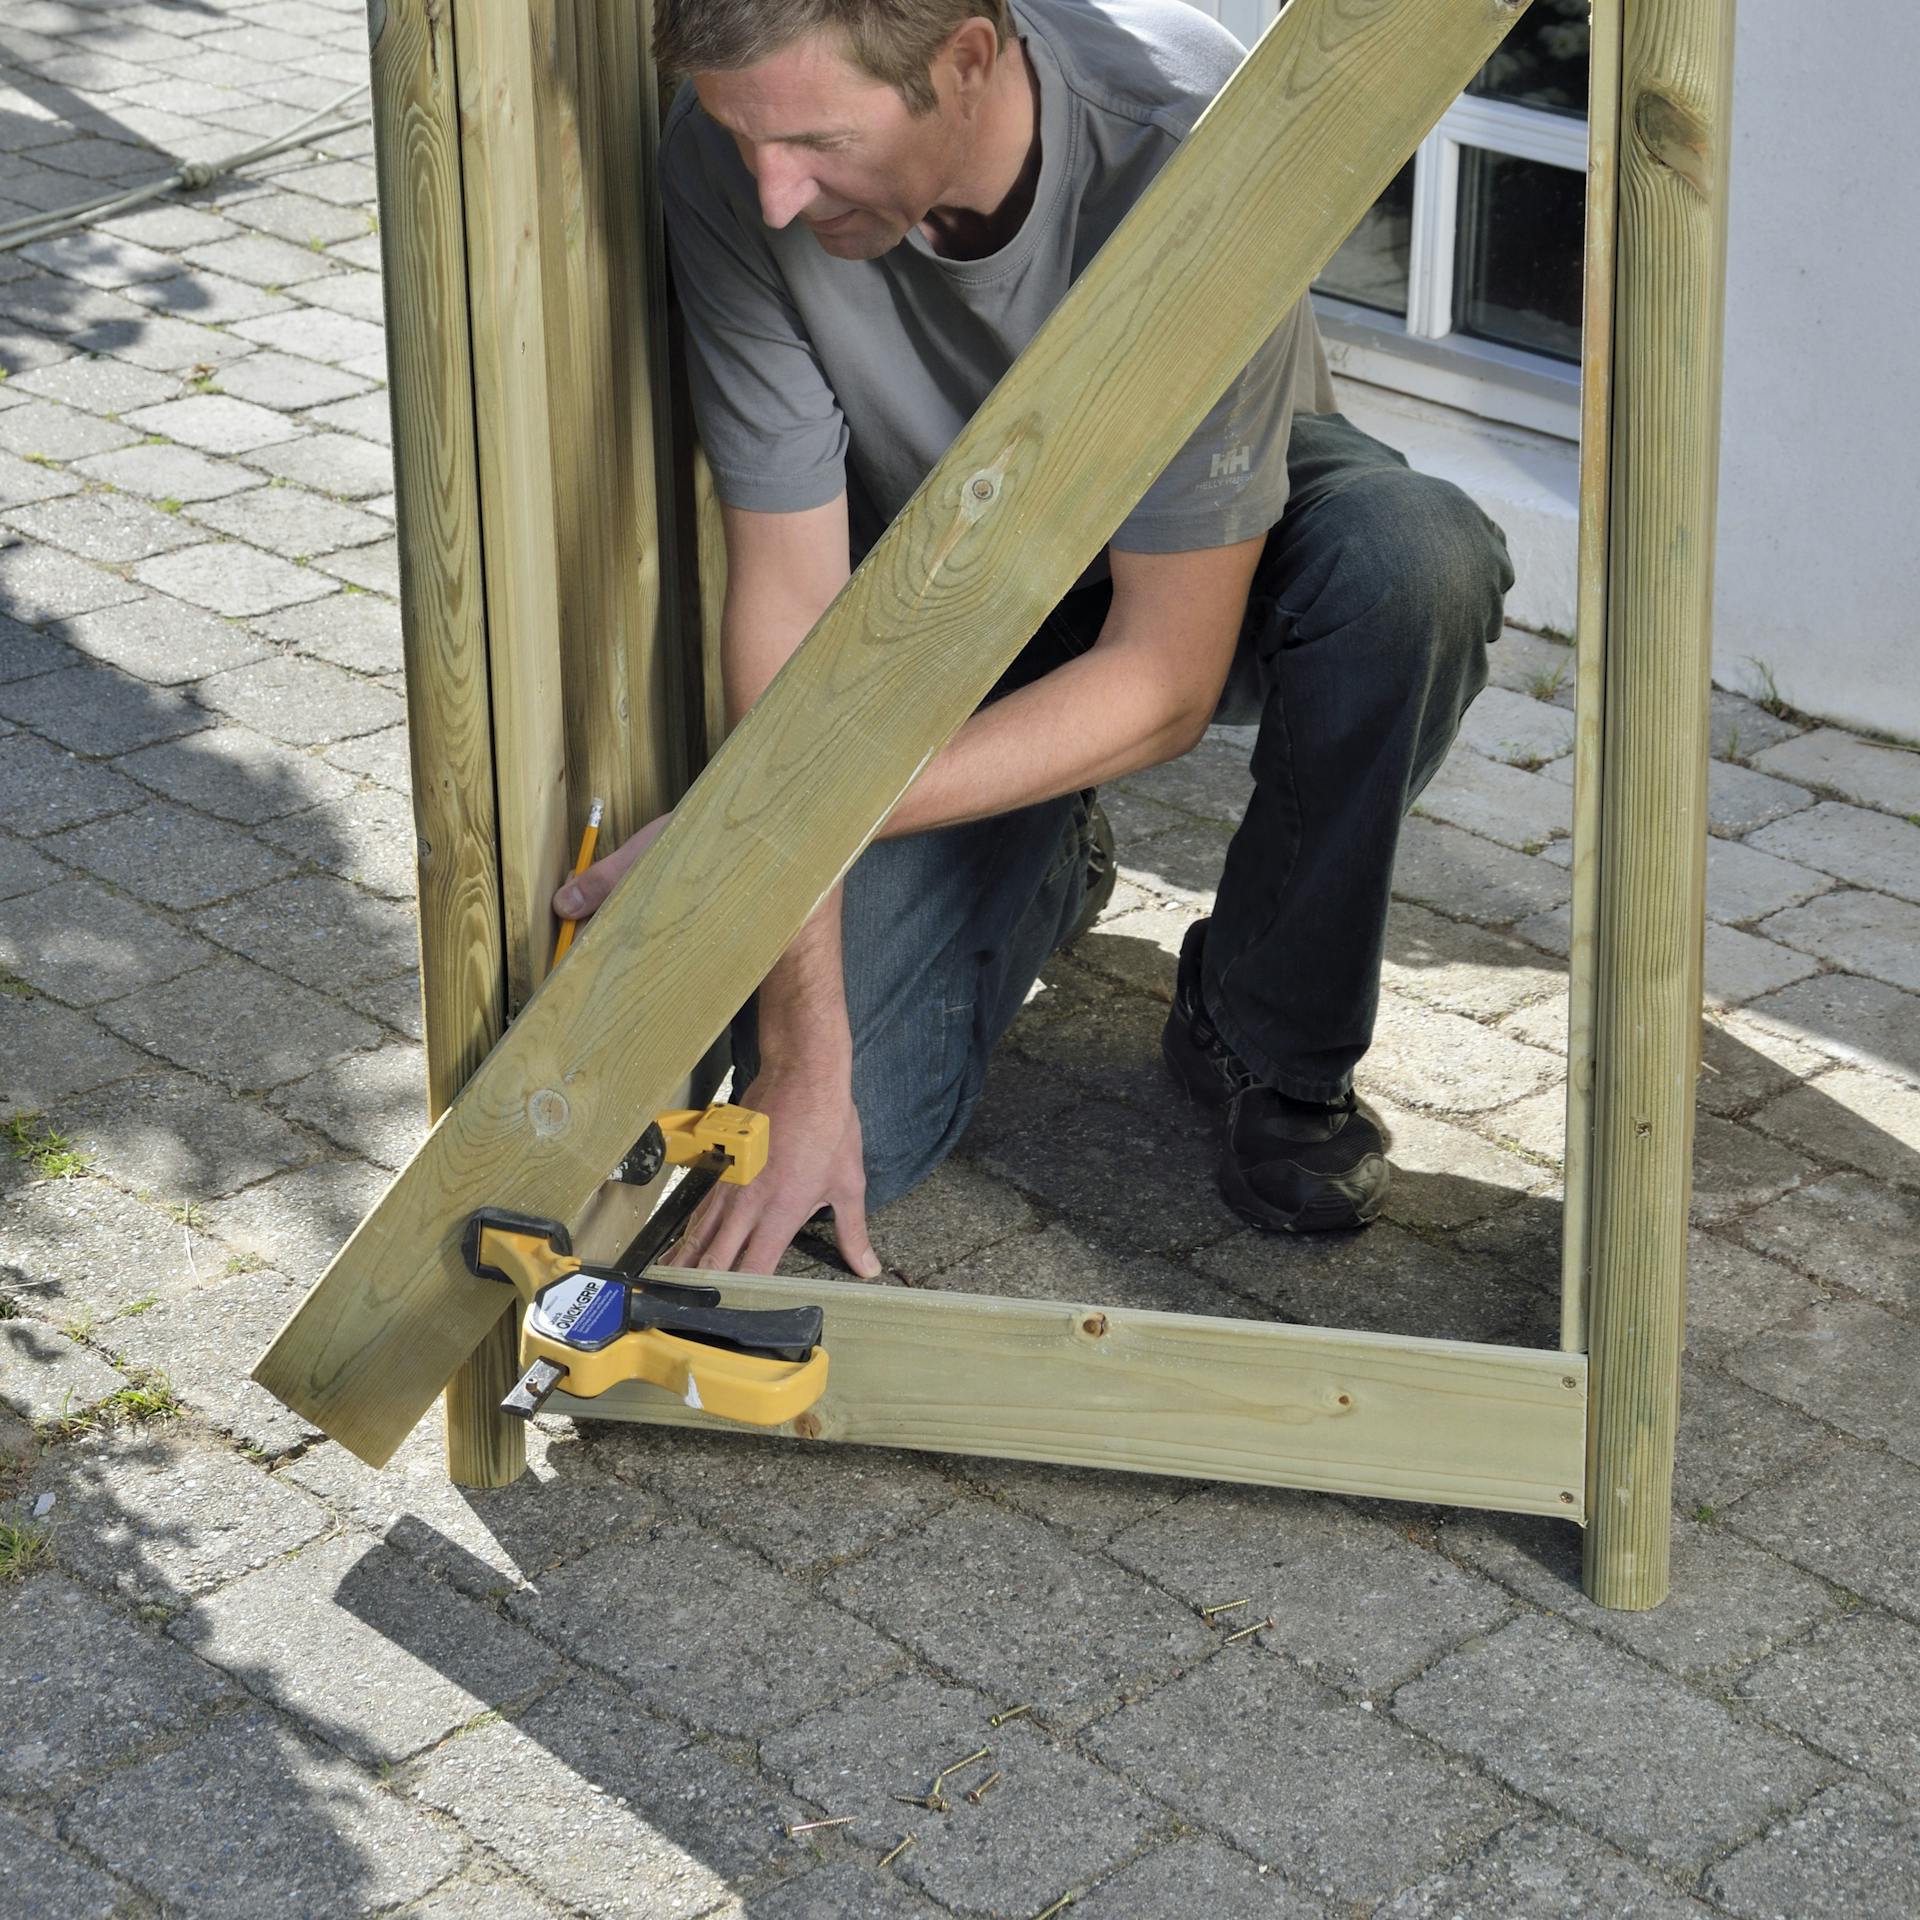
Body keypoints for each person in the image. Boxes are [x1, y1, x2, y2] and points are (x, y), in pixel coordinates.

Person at [553, 0, 1513, 1278]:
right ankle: (1052, 850)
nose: (775, 197)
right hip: (944, 593)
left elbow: (1165, 683)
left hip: (1201, 550)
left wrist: (759, 833)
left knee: (1412, 563)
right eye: (748, 143)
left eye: (819, 144)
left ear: (965, 56)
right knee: (849, 1137)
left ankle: (1264, 1041)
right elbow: (787, 598)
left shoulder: (1191, 131)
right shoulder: (730, 147)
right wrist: (800, 1048)